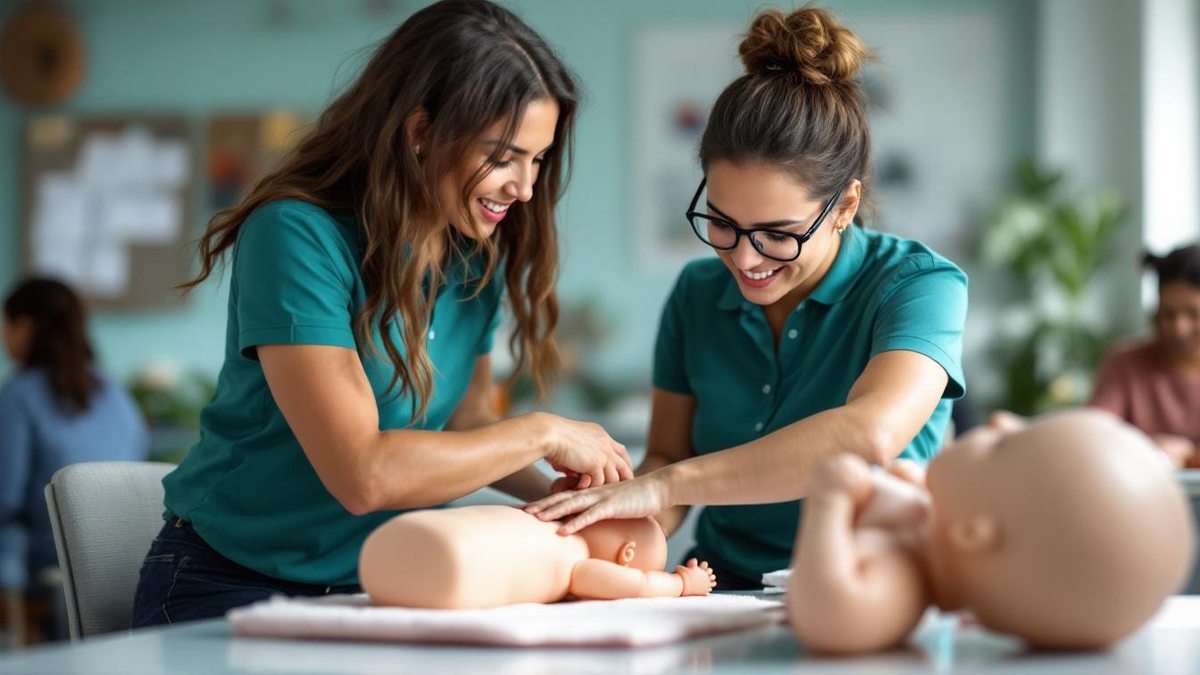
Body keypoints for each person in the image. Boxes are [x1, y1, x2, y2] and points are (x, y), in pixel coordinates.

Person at [131, 0, 634, 628]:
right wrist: (543, 432)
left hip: (385, 585)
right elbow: (362, 474)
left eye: (537, 159)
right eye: (504, 157)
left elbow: (467, 421)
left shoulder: (472, 253)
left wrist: (561, 500)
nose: (526, 188)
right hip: (230, 586)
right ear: (421, 130)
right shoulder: (297, 235)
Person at [526, 6, 967, 590]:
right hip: (725, 579)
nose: (745, 258)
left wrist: (665, 486)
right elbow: (667, 455)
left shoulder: (919, 286)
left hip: (872, 583)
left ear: (845, 205)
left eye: (779, 235)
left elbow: (868, 434)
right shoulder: (696, 294)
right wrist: (612, 517)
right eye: (722, 223)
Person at [787, 409, 1194, 653]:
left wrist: (830, 503)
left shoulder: (903, 581)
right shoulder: (930, 520)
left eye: (1001, 445)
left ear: (970, 534)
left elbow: (831, 618)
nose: (999, 419)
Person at [0, 278, 148, 637]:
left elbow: (5, 498)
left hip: (52, 560)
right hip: (126, 555)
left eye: (6, 325)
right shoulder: (115, 391)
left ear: (25, 326)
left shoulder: (18, 395)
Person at [359, 505, 715, 609]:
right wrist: (680, 583)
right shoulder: (566, 543)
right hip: (456, 552)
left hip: (445, 549)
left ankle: (398, 562)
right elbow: (637, 585)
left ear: (626, 554)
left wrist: (678, 584)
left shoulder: (579, 562)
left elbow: (632, 586)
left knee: (466, 541)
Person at [1091, 244, 1200, 468]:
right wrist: (1147, 448)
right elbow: (1092, 436)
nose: (1179, 328)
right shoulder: (1124, 364)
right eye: (1169, 314)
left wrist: (1190, 456)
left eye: (1193, 314)